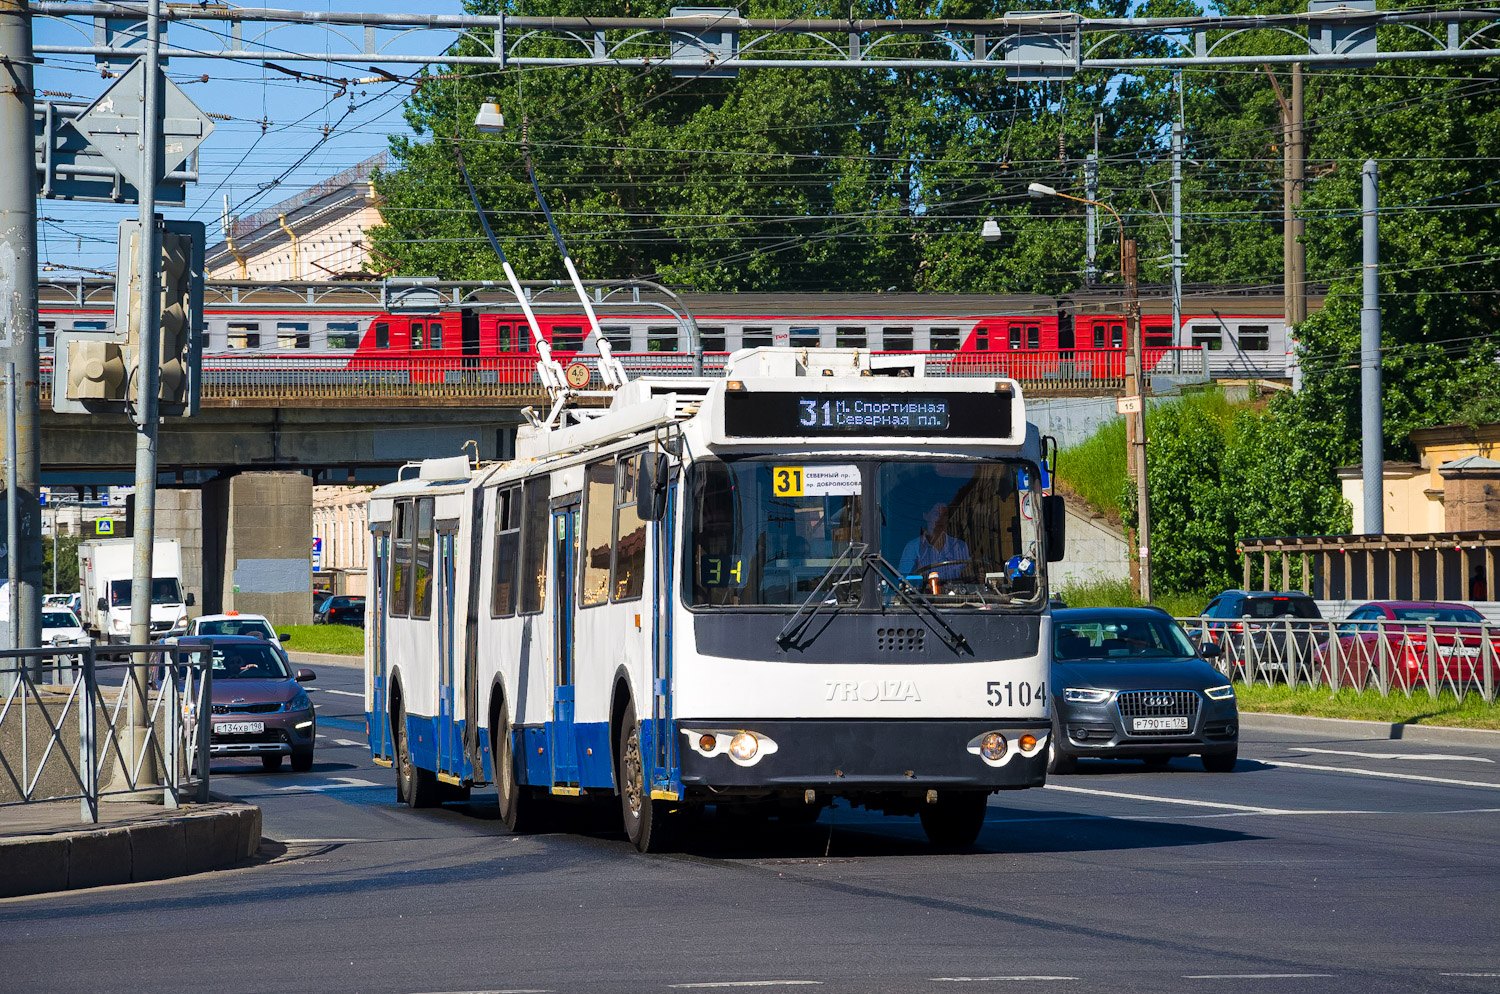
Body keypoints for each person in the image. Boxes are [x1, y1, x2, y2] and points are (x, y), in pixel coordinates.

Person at [897, 501, 971, 580]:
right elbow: (902, 580)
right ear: (925, 515)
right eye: (936, 514)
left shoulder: (960, 546)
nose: (940, 519)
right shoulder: (913, 547)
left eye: (944, 515)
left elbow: (969, 577)